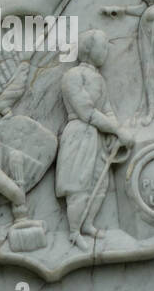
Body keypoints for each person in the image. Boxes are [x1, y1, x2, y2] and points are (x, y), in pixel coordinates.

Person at [55, 30, 132, 249]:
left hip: (97, 137)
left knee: (100, 185)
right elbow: (86, 111)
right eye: (103, 47)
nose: (106, 52)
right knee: (78, 185)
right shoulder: (73, 76)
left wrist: (115, 131)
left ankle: (87, 224)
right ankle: (73, 231)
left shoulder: (99, 79)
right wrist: (117, 130)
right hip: (79, 135)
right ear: (89, 49)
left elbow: (106, 109)